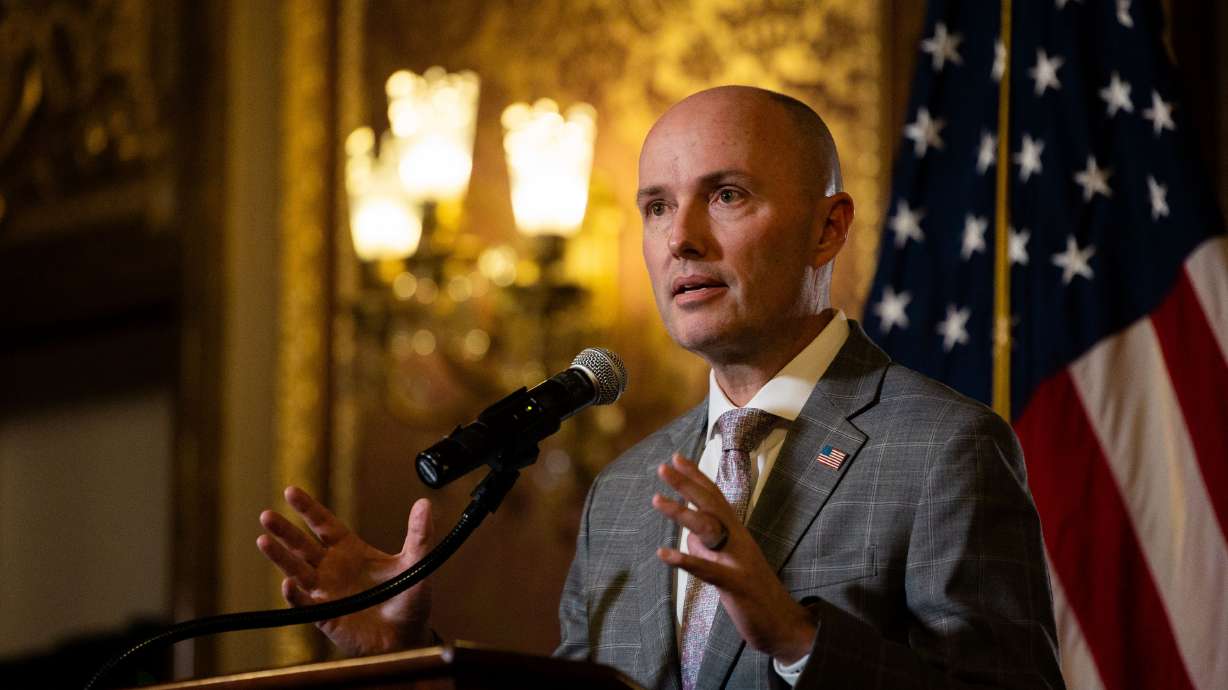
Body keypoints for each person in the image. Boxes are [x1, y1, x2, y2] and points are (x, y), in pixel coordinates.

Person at [258, 86, 1065, 689]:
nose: (681, 238)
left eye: (727, 195)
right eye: (655, 206)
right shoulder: (622, 491)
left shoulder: (942, 448)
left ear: (829, 228)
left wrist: (797, 640)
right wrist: (410, 657)